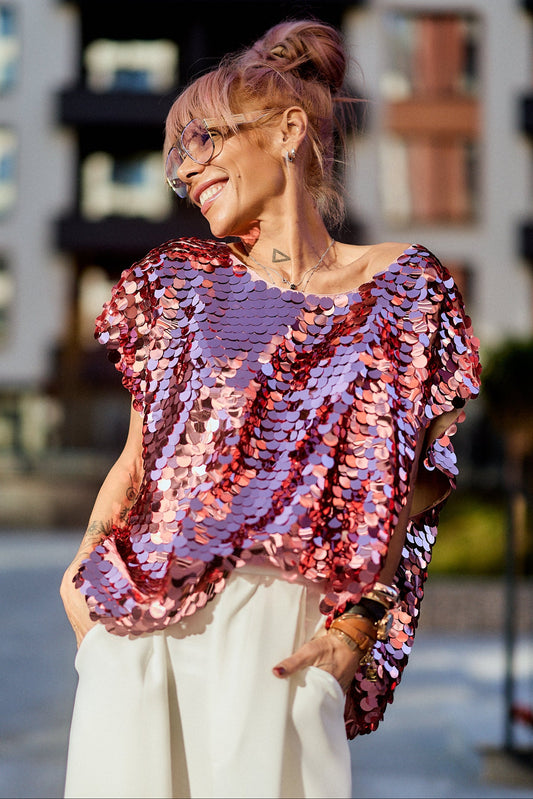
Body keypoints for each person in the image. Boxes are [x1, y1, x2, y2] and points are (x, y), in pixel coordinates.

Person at [60, 18, 481, 799]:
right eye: (176, 158)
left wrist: (356, 625)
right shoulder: (181, 285)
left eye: (203, 140)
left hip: (278, 628)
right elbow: (139, 460)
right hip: (137, 629)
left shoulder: (404, 290)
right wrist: (80, 574)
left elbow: (404, 487)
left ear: (288, 131)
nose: (188, 170)